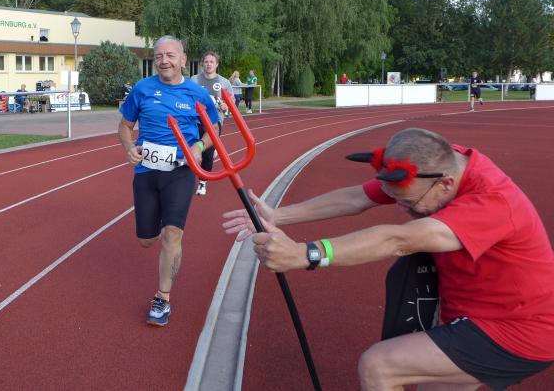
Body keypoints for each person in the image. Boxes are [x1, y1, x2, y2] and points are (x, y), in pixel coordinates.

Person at [221, 127, 554, 390]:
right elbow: (357, 198)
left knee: (380, 366)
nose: (403, 209)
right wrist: (277, 215)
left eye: (410, 204)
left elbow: (398, 240)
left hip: (519, 328)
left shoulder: (492, 201)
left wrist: (305, 254)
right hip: (472, 317)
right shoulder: (433, 165)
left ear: (446, 184)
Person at [118, 35, 220, 327]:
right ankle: (156, 231)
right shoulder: (142, 89)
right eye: (159, 56)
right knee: (146, 240)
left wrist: (198, 147)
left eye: (171, 55)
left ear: (183, 60)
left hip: (180, 171)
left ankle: (162, 298)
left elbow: (213, 127)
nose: (164, 61)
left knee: (173, 233)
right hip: (147, 172)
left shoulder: (197, 93)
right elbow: (124, 126)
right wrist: (129, 147)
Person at [191, 51, 234, 196]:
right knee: (190, 149)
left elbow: (231, 101)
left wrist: (226, 106)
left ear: (216, 64)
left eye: (211, 62)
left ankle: (203, 182)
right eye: (206, 61)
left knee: (207, 154)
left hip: (214, 122)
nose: (209, 64)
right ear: (202, 63)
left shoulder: (224, 82)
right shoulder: (194, 80)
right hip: (196, 120)